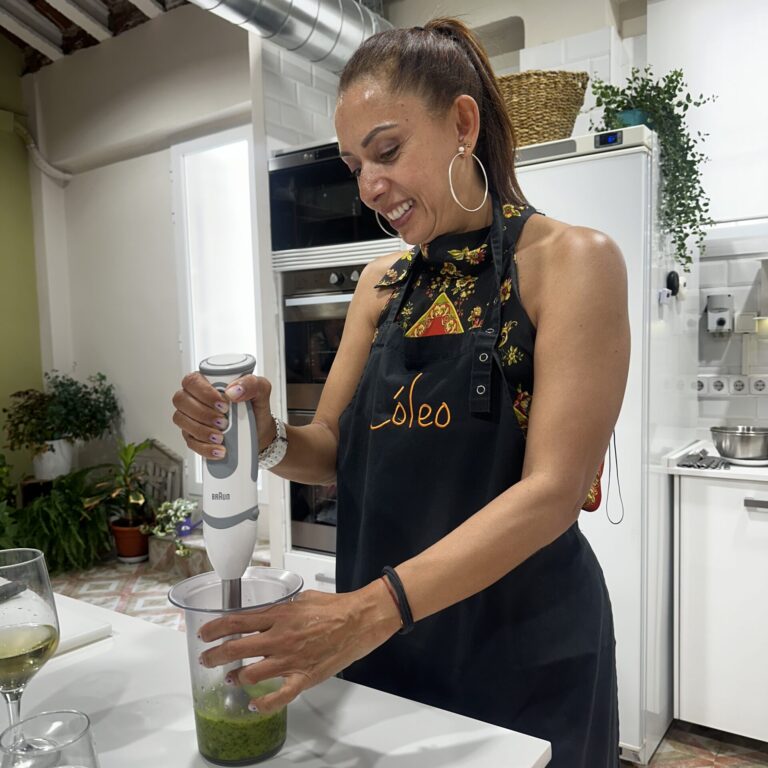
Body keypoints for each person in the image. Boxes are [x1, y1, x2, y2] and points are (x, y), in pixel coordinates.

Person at [172, 18, 629, 768]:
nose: (369, 187)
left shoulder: (572, 263)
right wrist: (267, 435)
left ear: (462, 123)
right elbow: (330, 451)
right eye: (356, 164)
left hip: (521, 657)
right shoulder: (379, 287)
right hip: (389, 654)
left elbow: (555, 490)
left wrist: (366, 611)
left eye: (386, 151)